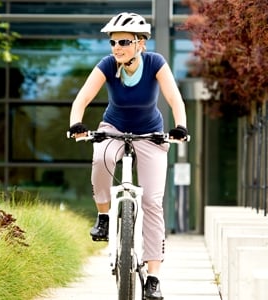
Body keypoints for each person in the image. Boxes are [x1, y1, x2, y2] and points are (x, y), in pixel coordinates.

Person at [67, 12, 188, 300]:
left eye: (123, 41)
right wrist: (76, 124)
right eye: (113, 42)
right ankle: (104, 216)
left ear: (140, 44)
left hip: (150, 133)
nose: (116, 47)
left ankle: (154, 278)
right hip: (113, 128)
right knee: (101, 158)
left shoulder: (156, 63)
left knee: (152, 201)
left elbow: (174, 99)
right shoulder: (108, 65)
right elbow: (82, 98)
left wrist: (180, 126)